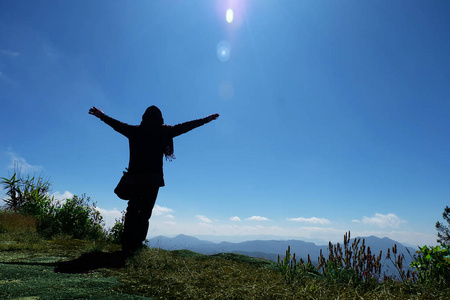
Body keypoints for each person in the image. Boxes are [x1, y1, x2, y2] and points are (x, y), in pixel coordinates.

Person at [89, 106, 219, 254]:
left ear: (144, 117)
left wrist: (101, 116)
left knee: (132, 210)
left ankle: (127, 244)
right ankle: (137, 245)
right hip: (153, 180)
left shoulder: (135, 131)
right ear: (161, 119)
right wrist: (206, 119)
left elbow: (116, 125)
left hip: (135, 179)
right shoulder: (165, 132)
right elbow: (186, 127)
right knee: (145, 213)